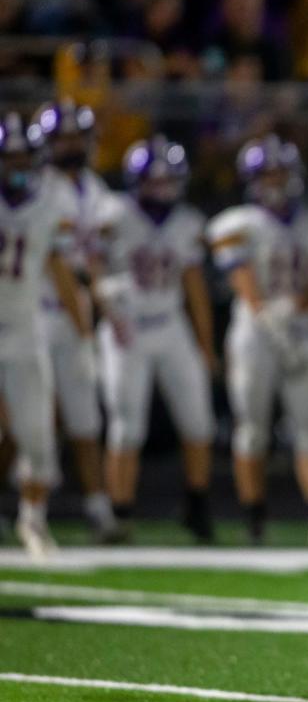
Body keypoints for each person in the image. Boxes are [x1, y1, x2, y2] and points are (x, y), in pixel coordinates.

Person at [207, 134, 308, 547]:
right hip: (255, 331)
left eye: (280, 172)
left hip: (299, 326)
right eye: (266, 173)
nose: (274, 180)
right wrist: (270, 317)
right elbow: (244, 284)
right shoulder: (237, 223)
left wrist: (300, 311)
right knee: (251, 428)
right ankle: (254, 516)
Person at [94, 135, 216, 543]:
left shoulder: (187, 222)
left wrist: (206, 344)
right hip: (125, 327)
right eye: (154, 180)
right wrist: (102, 294)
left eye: (169, 180)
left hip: (170, 322)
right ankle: (120, 511)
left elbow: (195, 287)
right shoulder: (113, 214)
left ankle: (197, 506)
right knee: (126, 424)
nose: (162, 189)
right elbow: (89, 263)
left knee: (198, 420)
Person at [0, 112, 90, 558]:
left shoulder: (49, 210)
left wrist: (83, 334)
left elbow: (63, 276)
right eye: (8, 156)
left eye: (22, 156)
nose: (15, 165)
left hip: (23, 329)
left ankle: (32, 519)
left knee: (37, 434)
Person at [34, 99, 118, 541]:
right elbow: (59, 265)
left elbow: (94, 260)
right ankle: (33, 508)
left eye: (76, 137)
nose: (71, 146)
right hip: (38, 314)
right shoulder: (39, 190)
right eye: (62, 138)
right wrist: (86, 319)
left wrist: (103, 302)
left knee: (86, 419)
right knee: (29, 421)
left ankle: (98, 507)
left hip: (76, 314)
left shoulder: (95, 189)